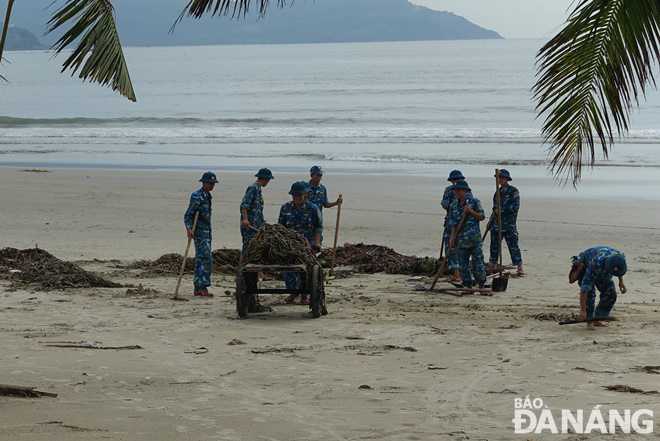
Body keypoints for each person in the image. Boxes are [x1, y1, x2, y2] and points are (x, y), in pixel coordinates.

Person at [279, 181, 323, 305]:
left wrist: (316, 243)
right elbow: (280, 228)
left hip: (307, 244)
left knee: (306, 269)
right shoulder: (285, 208)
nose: (297, 198)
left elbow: (318, 227)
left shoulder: (313, 208)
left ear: (305, 195)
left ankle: (304, 296)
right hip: (289, 244)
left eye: (299, 195)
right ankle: (293, 292)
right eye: (294, 195)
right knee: (287, 270)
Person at [571, 246, 627, 330]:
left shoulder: (620, 257)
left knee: (610, 293)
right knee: (590, 293)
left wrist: (621, 281)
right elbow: (584, 290)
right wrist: (583, 311)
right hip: (586, 265)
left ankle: (597, 318)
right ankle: (589, 320)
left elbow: (618, 268)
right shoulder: (595, 265)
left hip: (604, 266)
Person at [184, 171, 218, 297]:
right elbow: (188, 214)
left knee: (201, 259)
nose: (212, 185)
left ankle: (198, 288)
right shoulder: (197, 195)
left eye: (213, 183)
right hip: (199, 232)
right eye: (210, 183)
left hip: (207, 231)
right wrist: (188, 229)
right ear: (204, 183)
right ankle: (203, 287)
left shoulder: (208, 196)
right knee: (206, 259)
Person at [447, 180, 487, 289]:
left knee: (477, 263)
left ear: (465, 190)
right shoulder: (453, 206)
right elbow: (453, 224)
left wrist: (471, 211)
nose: (456, 192)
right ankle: (468, 286)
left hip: (474, 239)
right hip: (460, 240)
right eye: (455, 190)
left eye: (459, 190)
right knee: (463, 264)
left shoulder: (474, 202)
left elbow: (482, 217)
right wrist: (452, 238)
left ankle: (481, 285)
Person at [489, 169, 524, 276]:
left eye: (502, 178)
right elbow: (494, 209)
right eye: (499, 178)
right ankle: (493, 265)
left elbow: (515, 207)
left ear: (507, 179)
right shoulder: (497, 193)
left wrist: (502, 210)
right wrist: (490, 221)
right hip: (496, 224)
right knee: (494, 246)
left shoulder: (513, 191)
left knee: (513, 246)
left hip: (509, 224)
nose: (500, 180)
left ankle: (519, 266)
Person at [240, 168, 274, 265]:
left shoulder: (258, 189)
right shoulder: (253, 188)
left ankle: (260, 273)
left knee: (257, 247)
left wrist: (263, 223)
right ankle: (241, 271)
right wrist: (245, 219)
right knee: (247, 247)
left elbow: (257, 209)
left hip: (256, 224)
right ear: (266, 179)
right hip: (249, 225)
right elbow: (244, 205)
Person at [441, 170, 466, 282]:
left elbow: (444, 204)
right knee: (462, 247)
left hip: (452, 222)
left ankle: (457, 274)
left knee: (451, 246)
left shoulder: (449, 189)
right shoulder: (467, 190)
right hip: (465, 223)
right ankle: (462, 273)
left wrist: (454, 210)